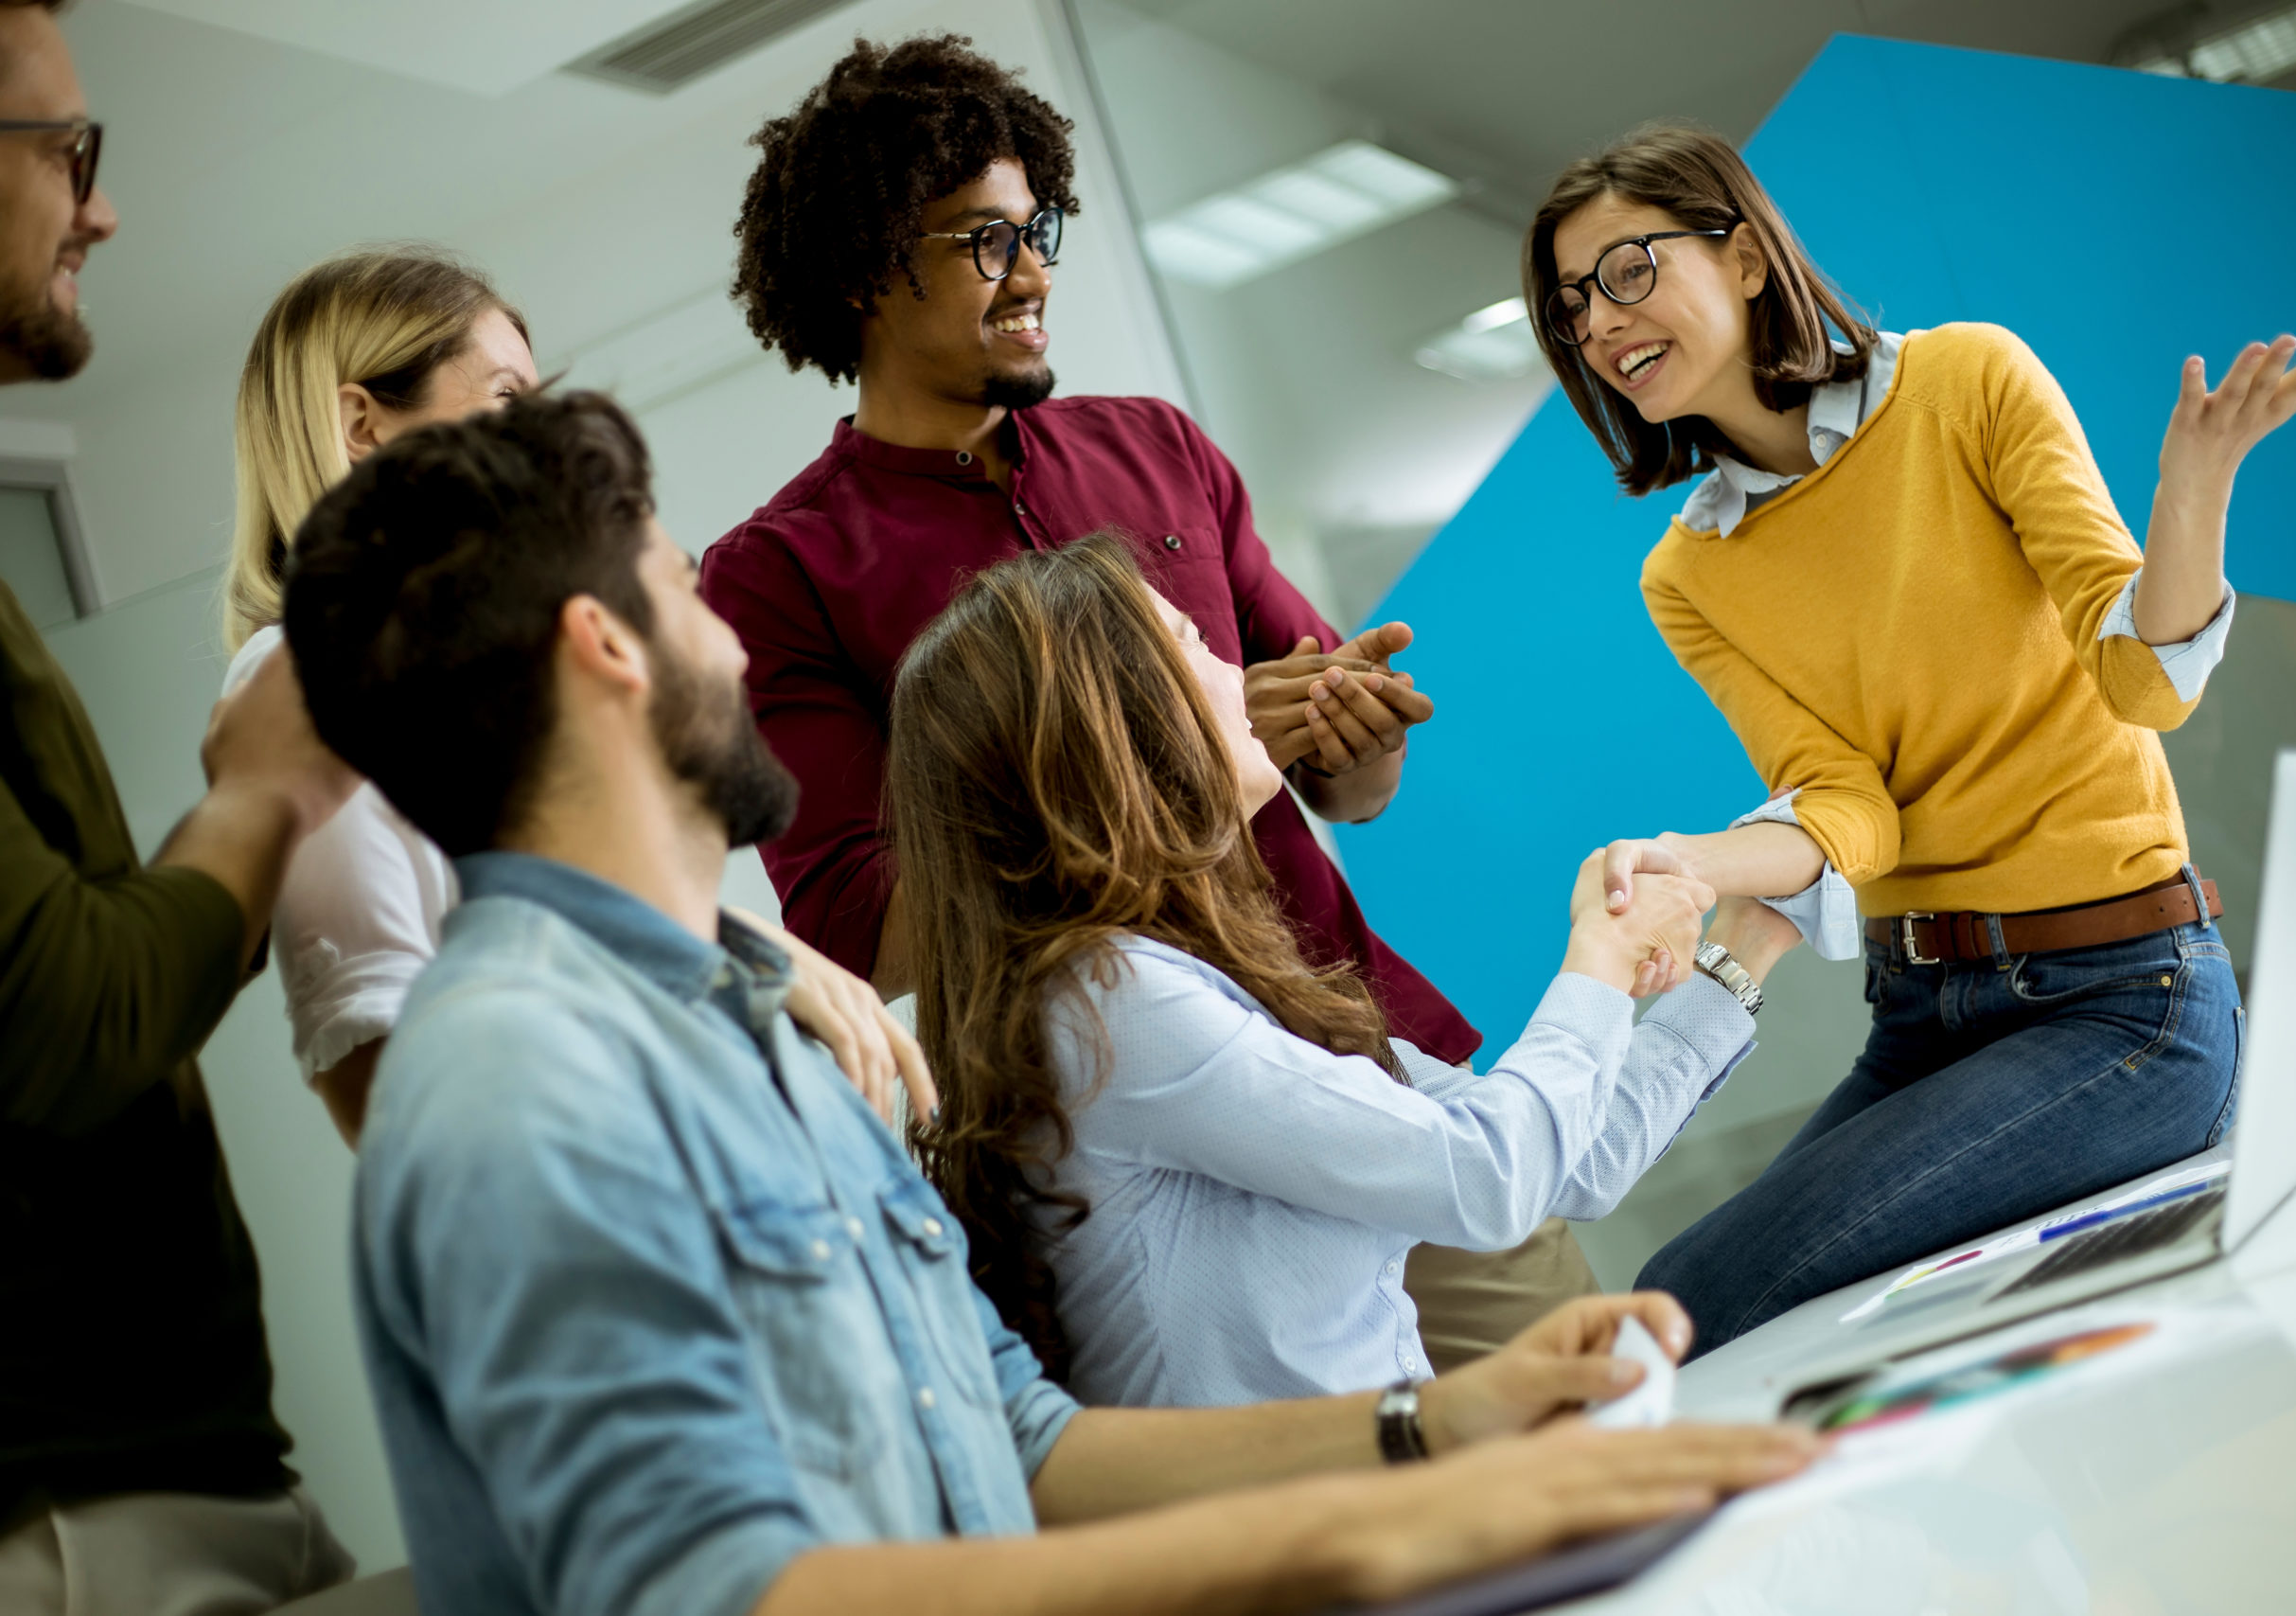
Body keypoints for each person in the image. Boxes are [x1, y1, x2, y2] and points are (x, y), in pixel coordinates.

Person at [280, 390, 1820, 1615]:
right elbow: (720, 1591)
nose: (735, 641)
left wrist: (1426, 1438)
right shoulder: (513, 1080)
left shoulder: (766, 1023)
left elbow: (1024, 1439)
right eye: (690, 595)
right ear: (604, 647)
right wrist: (1366, 1538)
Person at [702, 33, 1589, 1371]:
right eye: (983, 243)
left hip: (1369, 1061)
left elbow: (1345, 778)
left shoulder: (1159, 447)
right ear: (860, 271)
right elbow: (849, 925)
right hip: (1142, 1161)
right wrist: (1162, 778)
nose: (1036, 271)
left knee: (1615, 1428)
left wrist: (1344, 737)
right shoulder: (779, 576)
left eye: (1038, 227)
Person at [1520, 124, 2296, 1354]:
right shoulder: (1687, 572)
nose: (1598, 320)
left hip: (2123, 1005)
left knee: (1685, 1307)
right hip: (1924, 1009)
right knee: (1680, 1301)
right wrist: (1690, 861)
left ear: (1748, 256)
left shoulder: (1968, 381)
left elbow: (2140, 681)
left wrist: (2195, 487)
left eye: (1628, 270)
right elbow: (1849, 805)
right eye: (1572, 301)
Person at [890, 531, 1803, 1409]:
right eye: (1195, 645)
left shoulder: (1199, 969)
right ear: (1109, 729)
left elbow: (1578, 1158)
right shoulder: (1115, 1003)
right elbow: (1487, 1178)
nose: (1241, 679)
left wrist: (1750, 937)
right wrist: (1600, 954)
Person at [221, 247, 929, 1146]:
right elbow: (381, 1072)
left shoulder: (476, 667)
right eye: (507, 401)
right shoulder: (300, 675)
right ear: (360, 423)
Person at [0, 2, 359, 1603]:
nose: (103, 203)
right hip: (76, 1514)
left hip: (192, 1466)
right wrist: (272, 788)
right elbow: (71, 1013)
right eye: (66, 149)